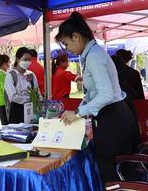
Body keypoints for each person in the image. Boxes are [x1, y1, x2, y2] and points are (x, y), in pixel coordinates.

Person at [56, 12, 135, 185]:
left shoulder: (94, 56)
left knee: (110, 172)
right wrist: (80, 108)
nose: (66, 49)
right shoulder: (91, 54)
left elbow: (105, 94)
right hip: (114, 116)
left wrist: (79, 113)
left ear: (76, 37)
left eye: (66, 43)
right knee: (111, 170)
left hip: (114, 119)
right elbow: (94, 94)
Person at [5, 47, 40, 124]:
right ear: (18, 59)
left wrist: (38, 101)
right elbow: (13, 96)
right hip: (16, 110)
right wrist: (29, 99)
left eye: (29, 60)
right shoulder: (10, 75)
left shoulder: (31, 75)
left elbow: (37, 92)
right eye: (25, 59)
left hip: (30, 110)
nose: (28, 62)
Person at [0, 53, 10, 125]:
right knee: (6, 126)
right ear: (4, 64)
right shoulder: (2, 75)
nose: (9, 64)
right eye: (8, 62)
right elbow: (6, 90)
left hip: (0, 102)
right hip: (3, 103)